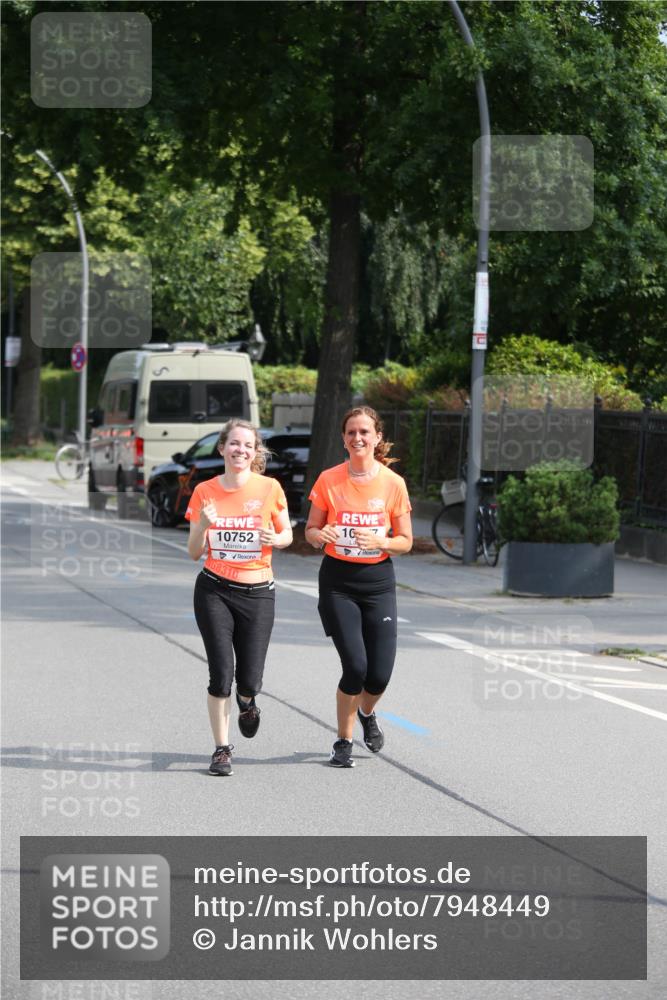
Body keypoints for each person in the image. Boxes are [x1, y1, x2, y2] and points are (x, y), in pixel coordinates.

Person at [305, 405, 413, 767]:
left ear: (377, 436)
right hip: (338, 581)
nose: (358, 438)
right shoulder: (328, 479)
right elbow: (310, 532)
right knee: (355, 666)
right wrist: (322, 535)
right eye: (351, 432)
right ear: (343, 439)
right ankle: (343, 740)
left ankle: (367, 714)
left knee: (379, 674)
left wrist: (381, 542)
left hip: (378, 581)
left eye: (364, 432)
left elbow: (406, 541)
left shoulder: (393, 484)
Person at [186, 419, 293, 776]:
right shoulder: (204, 491)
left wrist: (276, 540)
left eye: (248, 446)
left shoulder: (270, 488)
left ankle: (248, 703)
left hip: (258, 592)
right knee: (221, 675)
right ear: (222, 448)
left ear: (255, 452)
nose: (240, 450)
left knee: (249, 680)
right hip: (214, 589)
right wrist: (202, 523)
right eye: (234, 444)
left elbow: (287, 534)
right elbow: (192, 552)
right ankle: (221, 749)